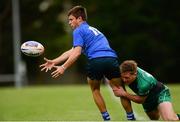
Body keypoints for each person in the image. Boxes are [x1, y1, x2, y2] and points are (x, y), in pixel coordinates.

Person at [40, 6, 135, 121]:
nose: (69, 22)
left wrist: (63, 67)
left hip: (96, 60)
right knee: (120, 89)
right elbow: (72, 51)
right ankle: (131, 117)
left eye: (71, 19)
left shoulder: (78, 31)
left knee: (95, 90)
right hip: (111, 59)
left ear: (79, 18)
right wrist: (54, 61)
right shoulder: (93, 30)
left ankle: (106, 118)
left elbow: (77, 53)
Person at [113, 60, 180, 120]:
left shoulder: (144, 84)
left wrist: (124, 93)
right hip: (147, 99)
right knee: (154, 118)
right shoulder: (124, 71)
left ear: (135, 74)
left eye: (126, 78)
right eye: (122, 77)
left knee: (169, 119)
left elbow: (140, 100)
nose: (124, 80)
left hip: (160, 93)